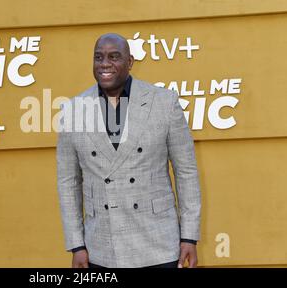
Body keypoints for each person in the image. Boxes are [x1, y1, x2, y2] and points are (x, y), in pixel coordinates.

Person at [57, 33, 201, 268]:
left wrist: (189, 236)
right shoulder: (72, 110)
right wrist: (77, 245)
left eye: (114, 57)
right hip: (101, 247)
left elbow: (186, 172)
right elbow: (68, 182)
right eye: (98, 57)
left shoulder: (164, 102)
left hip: (160, 244)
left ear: (130, 62)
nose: (105, 64)